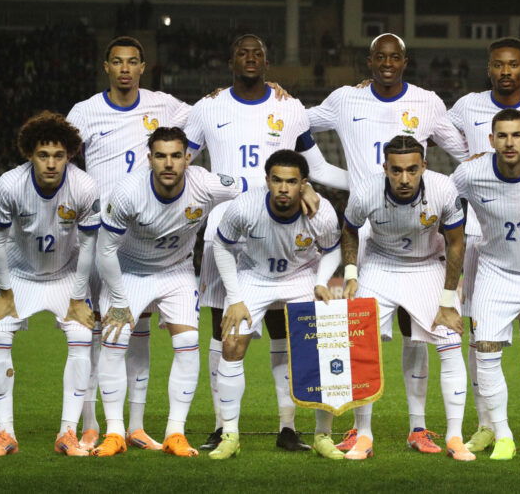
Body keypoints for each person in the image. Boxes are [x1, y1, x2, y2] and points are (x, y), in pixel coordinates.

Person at [183, 33, 348, 451]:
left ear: (268, 62)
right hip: (227, 226)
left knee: (284, 332)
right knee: (224, 332)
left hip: (283, 226)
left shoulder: (289, 108)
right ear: (230, 60)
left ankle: (288, 427)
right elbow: (180, 164)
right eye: (243, 52)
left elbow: (319, 166)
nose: (250, 59)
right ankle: (223, 426)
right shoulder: (208, 106)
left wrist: (362, 188)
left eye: (258, 53)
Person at [308, 33, 469, 453]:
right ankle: (360, 430)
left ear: (405, 61)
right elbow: (297, 124)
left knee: (428, 337)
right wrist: (309, 174)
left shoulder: (429, 103)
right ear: (369, 61)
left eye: (394, 57)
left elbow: (464, 150)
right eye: (380, 57)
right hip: (369, 237)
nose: (387, 63)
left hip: (421, 247)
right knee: (357, 338)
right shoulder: (346, 98)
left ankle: (425, 429)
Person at [67, 35, 192, 452]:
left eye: (133, 62)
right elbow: (58, 166)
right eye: (117, 62)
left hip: (142, 239)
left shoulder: (165, 106)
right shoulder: (84, 112)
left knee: (135, 333)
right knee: (94, 334)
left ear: (143, 67)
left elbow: (209, 118)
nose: (125, 68)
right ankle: (89, 424)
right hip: (98, 236)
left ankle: (134, 426)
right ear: (106, 67)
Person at [92, 127, 245, 457]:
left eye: (176, 155)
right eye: (160, 156)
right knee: (115, 342)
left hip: (176, 272)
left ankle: (175, 432)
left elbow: (252, 187)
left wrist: (304, 190)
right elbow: (104, 252)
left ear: (187, 158)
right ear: (149, 159)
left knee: (188, 343)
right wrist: (119, 301)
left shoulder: (204, 185)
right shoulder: (128, 193)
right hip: (129, 272)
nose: (169, 163)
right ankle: (115, 432)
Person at [448, 37, 520, 453]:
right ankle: (486, 424)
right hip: (482, 234)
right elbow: (434, 133)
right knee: (482, 334)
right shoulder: (465, 106)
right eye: (498, 65)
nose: (505, 72)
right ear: (488, 68)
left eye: (513, 65)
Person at [340, 136, 474, 461]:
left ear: (424, 167)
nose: (404, 179)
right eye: (396, 170)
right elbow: (349, 231)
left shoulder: (443, 190)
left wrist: (446, 299)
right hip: (380, 266)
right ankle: (364, 435)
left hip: (427, 265)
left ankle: (453, 436)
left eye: (412, 170)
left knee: (449, 340)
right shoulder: (365, 192)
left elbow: (456, 243)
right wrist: (350, 274)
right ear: (385, 167)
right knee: (360, 344)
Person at [209, 150, 343, 460]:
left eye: (292, 182)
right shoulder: (244, 206)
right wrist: (236, 298)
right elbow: (222, 246)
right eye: (277, 180)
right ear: (267, 180)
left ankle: (323, 435)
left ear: (303, 184)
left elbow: (332, 249)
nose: (284, 188)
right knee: (231, 344)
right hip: (253, 278)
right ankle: (229, 434)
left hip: (300, 278)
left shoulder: (320, 213)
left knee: (320, 351)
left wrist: (322, 281)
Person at [0, 111, 100, 457]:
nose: (51, 163)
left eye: (59, 156)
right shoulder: (10, 184)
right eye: (43, 155)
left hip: (65, 275)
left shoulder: (83, 186)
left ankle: (68, 433)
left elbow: (90, 245)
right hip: (18, 276)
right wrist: (5, 292)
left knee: (82, 337)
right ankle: (5, 434)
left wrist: (79, 297)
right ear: (30, 155)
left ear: (70, 155)